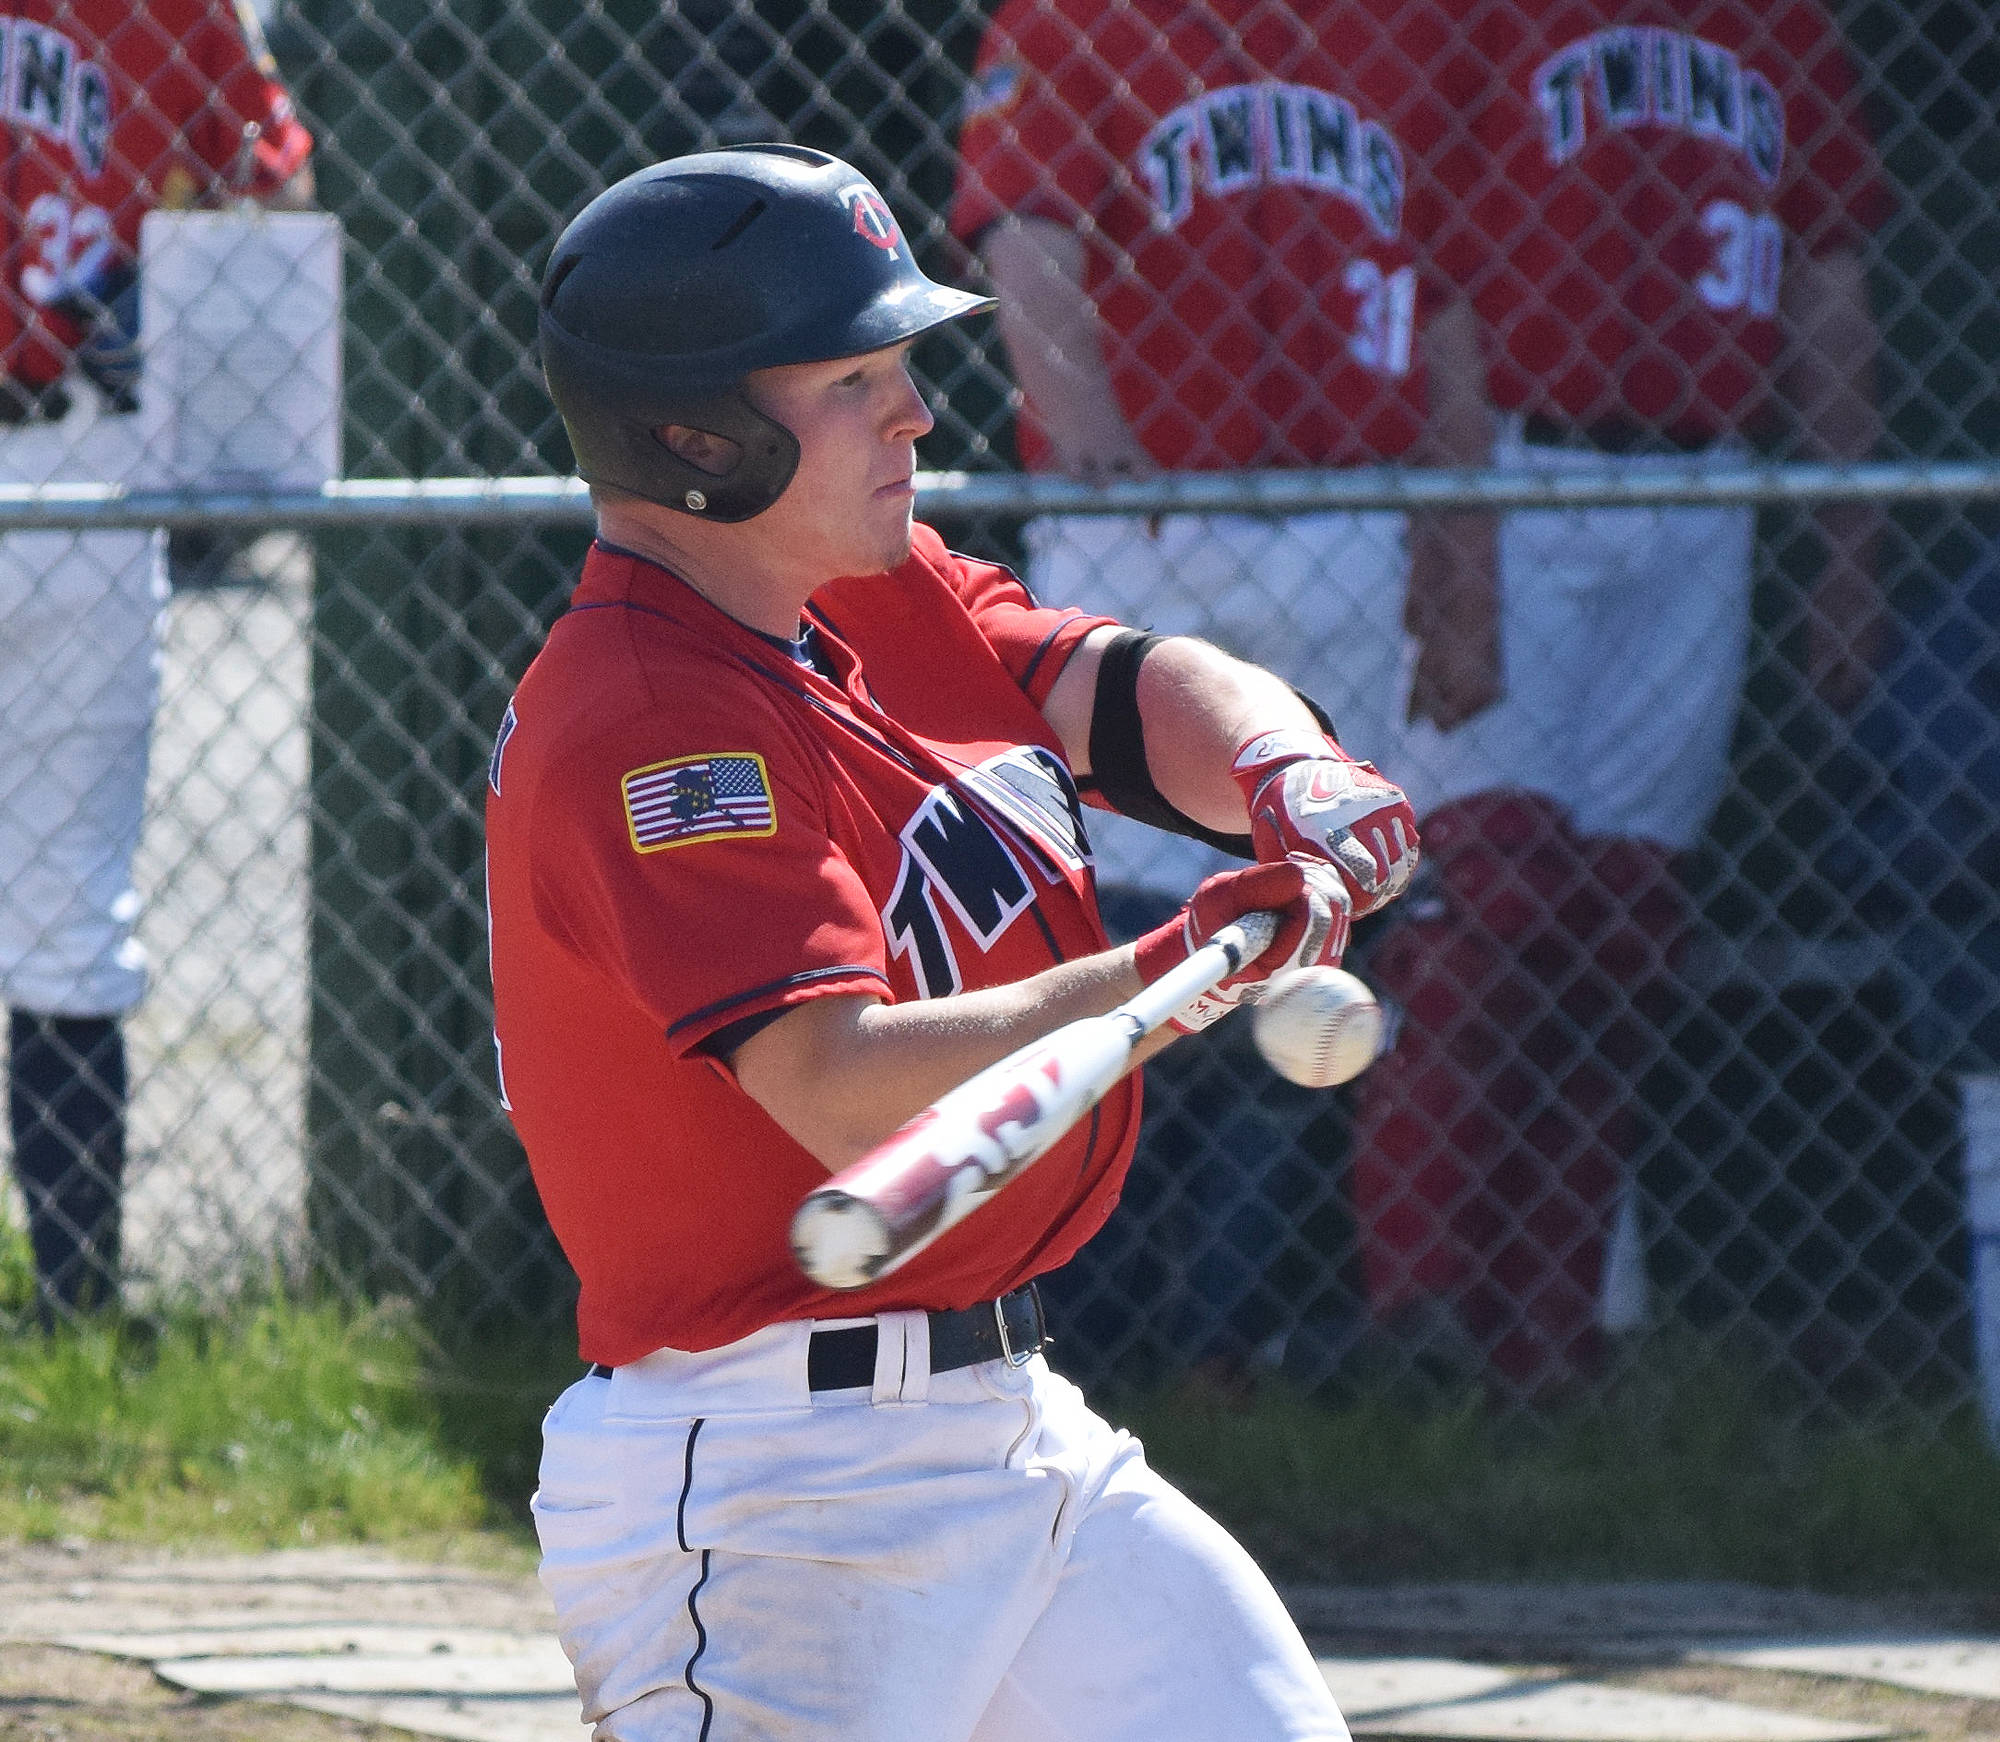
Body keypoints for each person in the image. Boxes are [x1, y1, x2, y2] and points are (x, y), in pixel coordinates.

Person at [485, 146, 1417, 1741]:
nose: (915, 413)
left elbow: (1115, 690)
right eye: (855, 380)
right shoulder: (654, 726)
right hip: (775, 1491)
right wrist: (1161, 971)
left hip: (1014, 1434)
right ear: (697, 435)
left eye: (903, 367)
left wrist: (1288, 771)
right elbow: (844, 1087)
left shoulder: (862, 592)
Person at [1348, 0, 1895, 1394]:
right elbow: (1433, 273)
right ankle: (1416, 1317)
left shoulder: (1781, 27)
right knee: (1494, 893)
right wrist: (1459, 535)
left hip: (1709, 483)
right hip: (1522, 463)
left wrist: (1850, 549)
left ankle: (1550, 1350)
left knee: (1620, 924)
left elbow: (1829, 287)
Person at [948, 0, 1472, 1386]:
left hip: (1354, 510)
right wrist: (1104, 450)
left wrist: (1454, 533)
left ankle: (1219, 1330)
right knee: (1117, 913)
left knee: (1309, 912)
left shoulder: (1391, 33)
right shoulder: (1071, 23)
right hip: (1148, 514)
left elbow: (1457, 282)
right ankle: (1089, 1315)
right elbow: (1027, 245)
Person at [0, 0, 313, 1315]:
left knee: (67, 910)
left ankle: (74, 1310)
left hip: (82, 456)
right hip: (83, 455)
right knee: (68, 907)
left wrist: (187, 289)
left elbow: (272, 192)